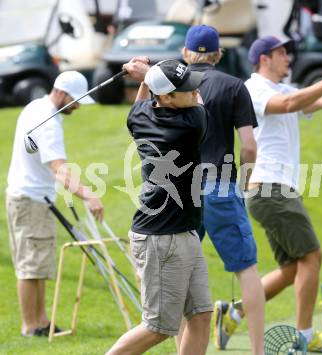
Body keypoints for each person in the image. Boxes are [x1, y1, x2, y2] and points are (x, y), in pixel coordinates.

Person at [218, 35, 322, 353]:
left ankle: (234, 311)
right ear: (263, 59)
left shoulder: (283, 89)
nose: (288, 57)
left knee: (291, 269)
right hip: (269, 186)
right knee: (312, 256)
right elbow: (287, 106)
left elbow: (315, 101)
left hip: (278, 188)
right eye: (282, 52)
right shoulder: (254, 89)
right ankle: (304, 335)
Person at [106, 58, 212, 355]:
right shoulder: (192, 124)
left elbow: (141, 104)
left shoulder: (138, 117)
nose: (194, 91)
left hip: (182, 232)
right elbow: (200, 103)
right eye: (186, 89)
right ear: (165, 97)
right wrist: (146, 74)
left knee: (201, 315)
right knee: (158, 327)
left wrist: (145, 78)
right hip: (161, 239)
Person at [181, 25, 265, 354]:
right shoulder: (234, 86)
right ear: (218, 54)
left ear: (186, 53)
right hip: (220, 185)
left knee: (181, 272)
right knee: (246, 268)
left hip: (182, 190)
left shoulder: (175, 86)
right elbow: (249, 147)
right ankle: (258, 351)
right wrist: (243, 182)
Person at [5, 71, 103, 337]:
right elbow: (59, 170)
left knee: (38, 264)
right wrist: (89, 195)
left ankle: (41, 321)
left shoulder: (36, 106)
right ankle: (31, 326)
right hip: (30, 198)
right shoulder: (48, 121)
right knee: (30, 265)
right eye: (76, 100)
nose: (79, 106)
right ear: (61, 93)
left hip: (32, 197)